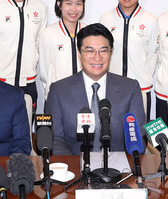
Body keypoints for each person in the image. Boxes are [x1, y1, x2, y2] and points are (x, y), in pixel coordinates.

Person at [46, 24, 146, 155]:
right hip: (76, 167)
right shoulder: (59, 90)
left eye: (103, 51)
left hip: (119, 169)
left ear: (111, 52)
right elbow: (56, 140)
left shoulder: (130, 88)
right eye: (89, 51)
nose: (97, 58)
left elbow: (138, 138)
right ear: (79, 52)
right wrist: (76, 167)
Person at [99, 0, 158, 120]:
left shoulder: (151, 20)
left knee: (138, 135)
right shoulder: (106, 19)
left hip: (141, 88)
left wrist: (142, 73)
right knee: (111, 132)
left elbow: (153, 54)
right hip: (111, 87)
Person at [38, 0, 86, 99]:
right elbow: (45, 71)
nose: (74, 9)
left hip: (84, 96)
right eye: (68, 3)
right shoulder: (49, 33)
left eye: (78, 4)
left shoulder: (87, 31)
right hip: (57, 96)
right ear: (59, 5)